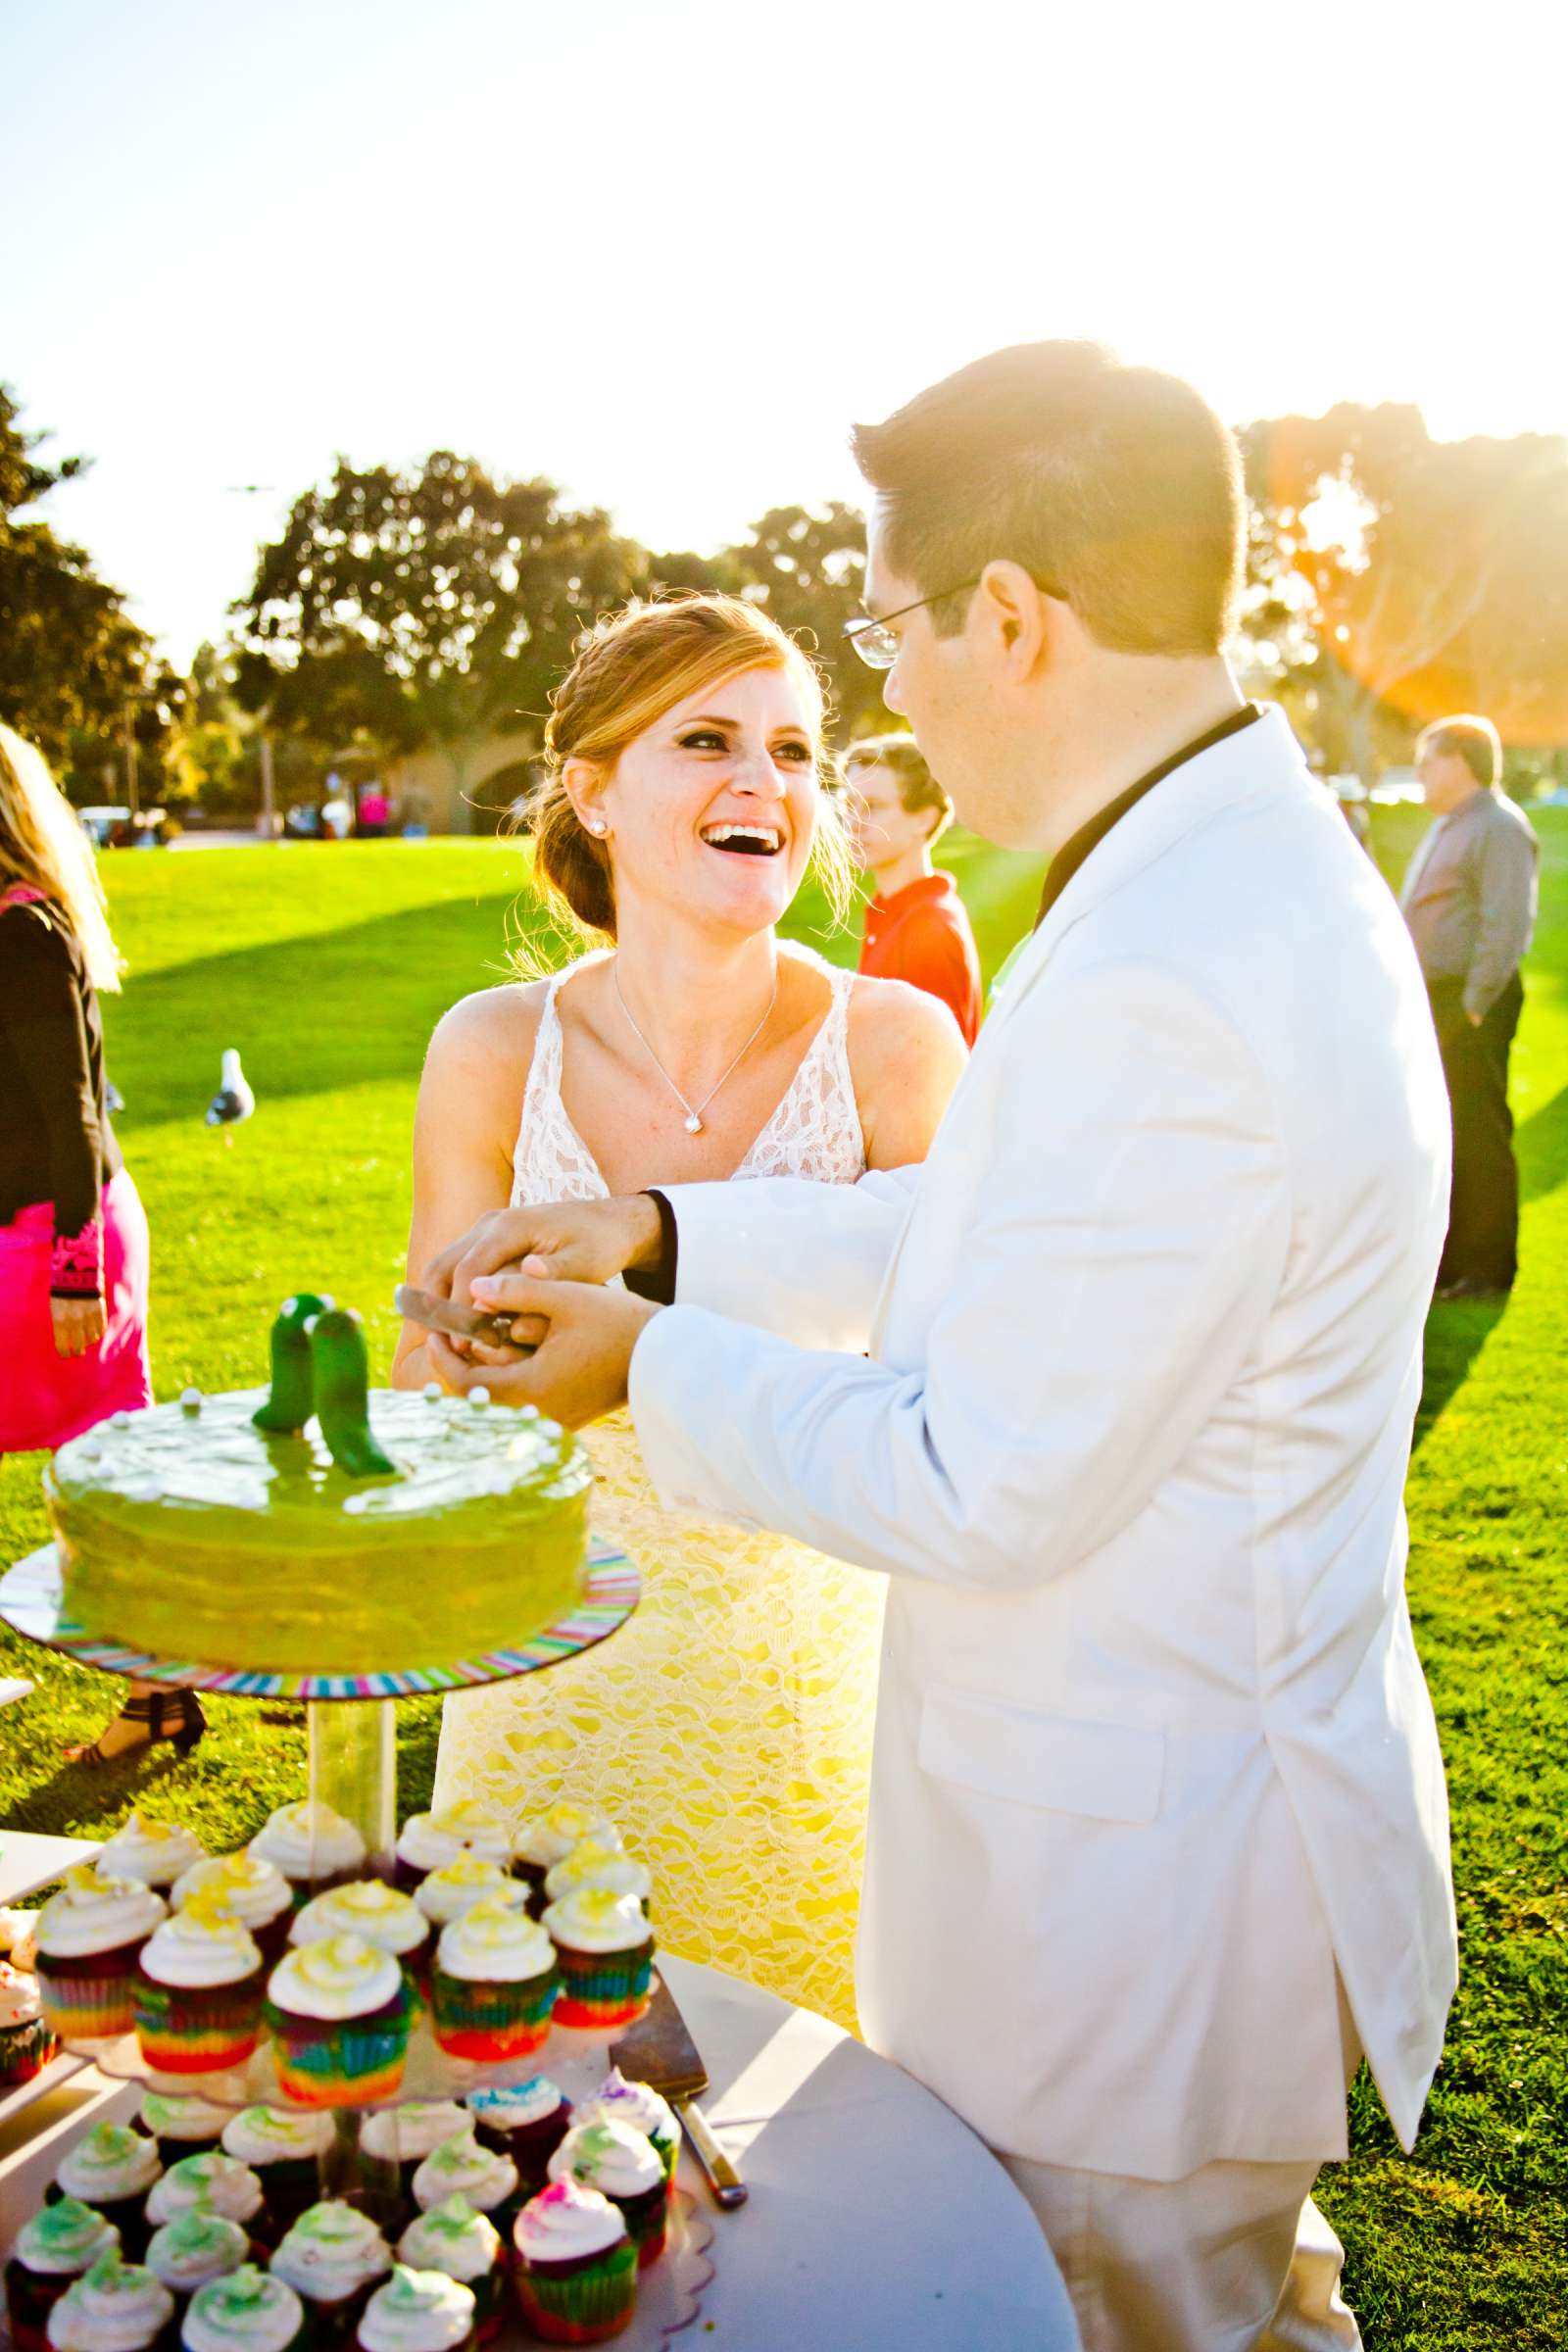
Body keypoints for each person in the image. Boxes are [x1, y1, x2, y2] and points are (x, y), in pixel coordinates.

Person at [425, 344, 1458, 2352]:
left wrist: (635, 1363)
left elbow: (976, 1476)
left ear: (1008, 616)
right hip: (1134, 1853)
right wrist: (669, 1231)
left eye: (889, 634)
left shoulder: (1179, 954)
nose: (880, 698)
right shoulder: (1211, 876)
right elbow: (984, 1233)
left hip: (1123, 1914)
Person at [398, 593, 965, 2026]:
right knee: (518, 2108)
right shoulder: (490, 1046)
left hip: (817, 1691)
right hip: (543, 1678)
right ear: (589, 786)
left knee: (825, 2134)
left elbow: (956, 1375)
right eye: (706, 740)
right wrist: (461, 1365)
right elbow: (422, 1370)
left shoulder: (898, 1044)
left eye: (792, 751)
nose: (762, 785)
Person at [0, 726, 197, 1766]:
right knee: (102, 1470)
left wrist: (76, 1264)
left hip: (53, 1243)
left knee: (105, 1476)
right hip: (26, 1231)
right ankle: (158, 1689)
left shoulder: (23, 932)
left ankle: (158, 1693)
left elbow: (72, 1110)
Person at [1399, 713, 1538, 1298]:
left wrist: (1476, 1005)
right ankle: (1455, 1264)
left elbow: (1505, 923)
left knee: (1479, 1133)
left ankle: (1487, 1270)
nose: (1421, 771)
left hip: (1470, 1001)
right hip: (1442, 1000)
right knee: (1450, 1133)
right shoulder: (1454, 824)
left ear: (1461, 762)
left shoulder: (1497, 827)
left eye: (1429, 760)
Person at [844, 734, 983, 1043]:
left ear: (924, 819)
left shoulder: (930, 927)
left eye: (873, 806)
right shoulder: (893, 910)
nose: (853, 822)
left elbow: (940, 1079)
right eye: (849, 804)